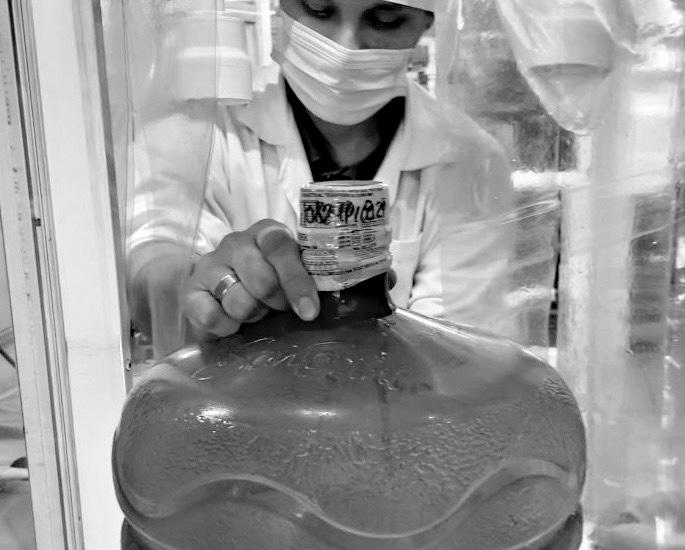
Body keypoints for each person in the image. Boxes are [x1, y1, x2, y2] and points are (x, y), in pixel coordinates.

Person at [128, 0, 514, 352]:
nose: (344, 49)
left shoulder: (469, 157)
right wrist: (200, 291)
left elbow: (457, 348)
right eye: (317, 7)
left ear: (427, 20)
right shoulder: (196, 132)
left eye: (386, 19)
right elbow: (153, 267)